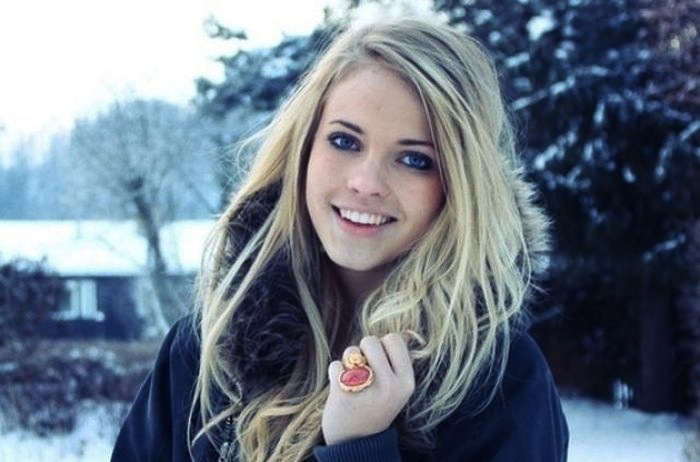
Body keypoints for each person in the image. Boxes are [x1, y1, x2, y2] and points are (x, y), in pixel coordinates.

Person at [111, 15, 569, 462]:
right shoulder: (206, 350)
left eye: (414, 160)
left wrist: (359, 449)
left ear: (460, 188)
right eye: (345, 142)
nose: (366, 183)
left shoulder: (503, 387)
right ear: (303, 149)